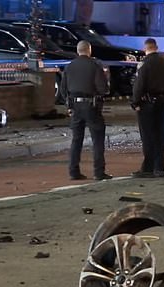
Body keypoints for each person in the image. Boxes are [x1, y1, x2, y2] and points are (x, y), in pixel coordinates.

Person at [60, 40, 111, 181]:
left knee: (76, 140)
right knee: (97, 139)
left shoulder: (69, 67)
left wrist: (69, 106)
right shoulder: (95, 65)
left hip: (75, 106)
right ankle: (98, 172)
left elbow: (63, 90)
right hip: (91, 106)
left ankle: (73, 171)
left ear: (78, 51)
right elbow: (103, 89)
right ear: (89, 50)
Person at [130, 38, 164, 178]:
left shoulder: (144, 64)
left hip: (146, 103)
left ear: (145, 48)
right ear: (156, 47)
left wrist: (136, 102)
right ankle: (159, 167)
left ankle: (148, 168)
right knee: (159, 135)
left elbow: (139, 85)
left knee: (148, 136)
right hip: (161, 103)